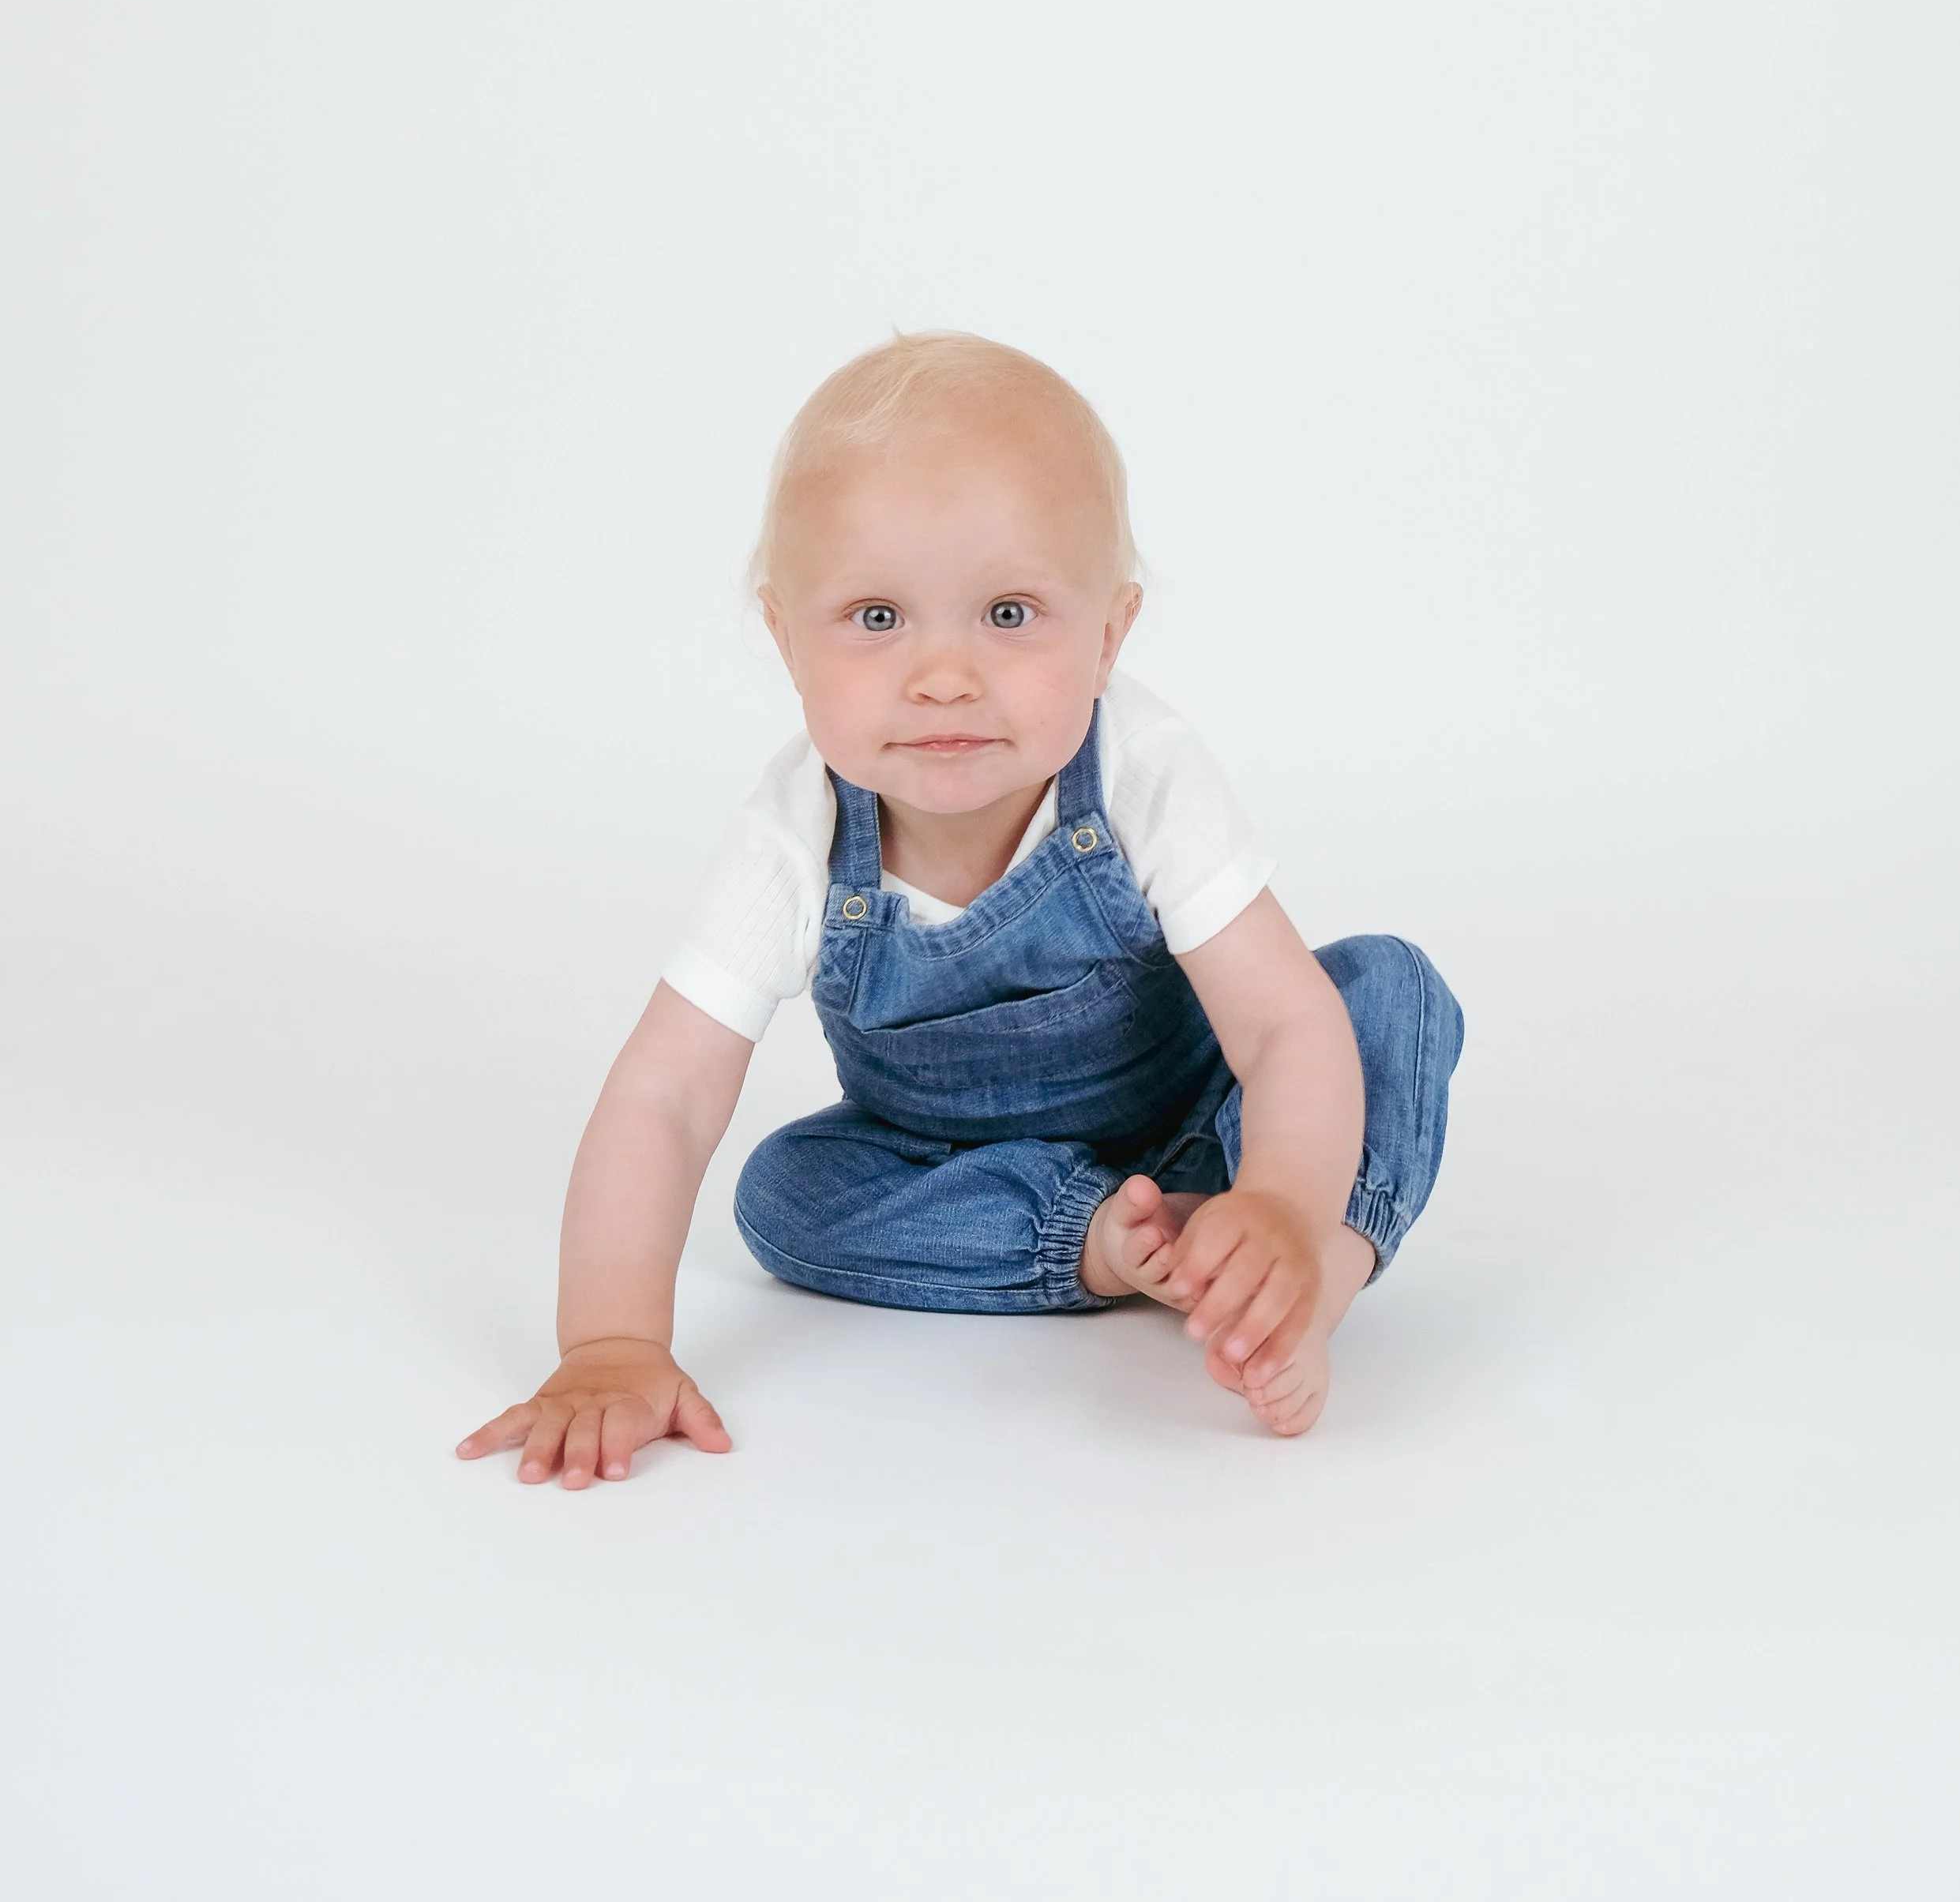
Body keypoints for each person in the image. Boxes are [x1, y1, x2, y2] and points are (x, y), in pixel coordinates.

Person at [458, 331, 1462, 1483]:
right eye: (878, 617)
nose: (944, 676)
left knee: (1384, 990)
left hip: (1210, 1123)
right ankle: (1093, 1241)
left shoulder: (1141, 771)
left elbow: (1280, 1026)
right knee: (783, 1193)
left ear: (1109, 636)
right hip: (947, 1168)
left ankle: (1313, 1268)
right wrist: (610, 1343)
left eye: (1010, 614)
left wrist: (1282, 1195)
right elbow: (666, 1095)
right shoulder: (795, 835)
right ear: (786, 639)